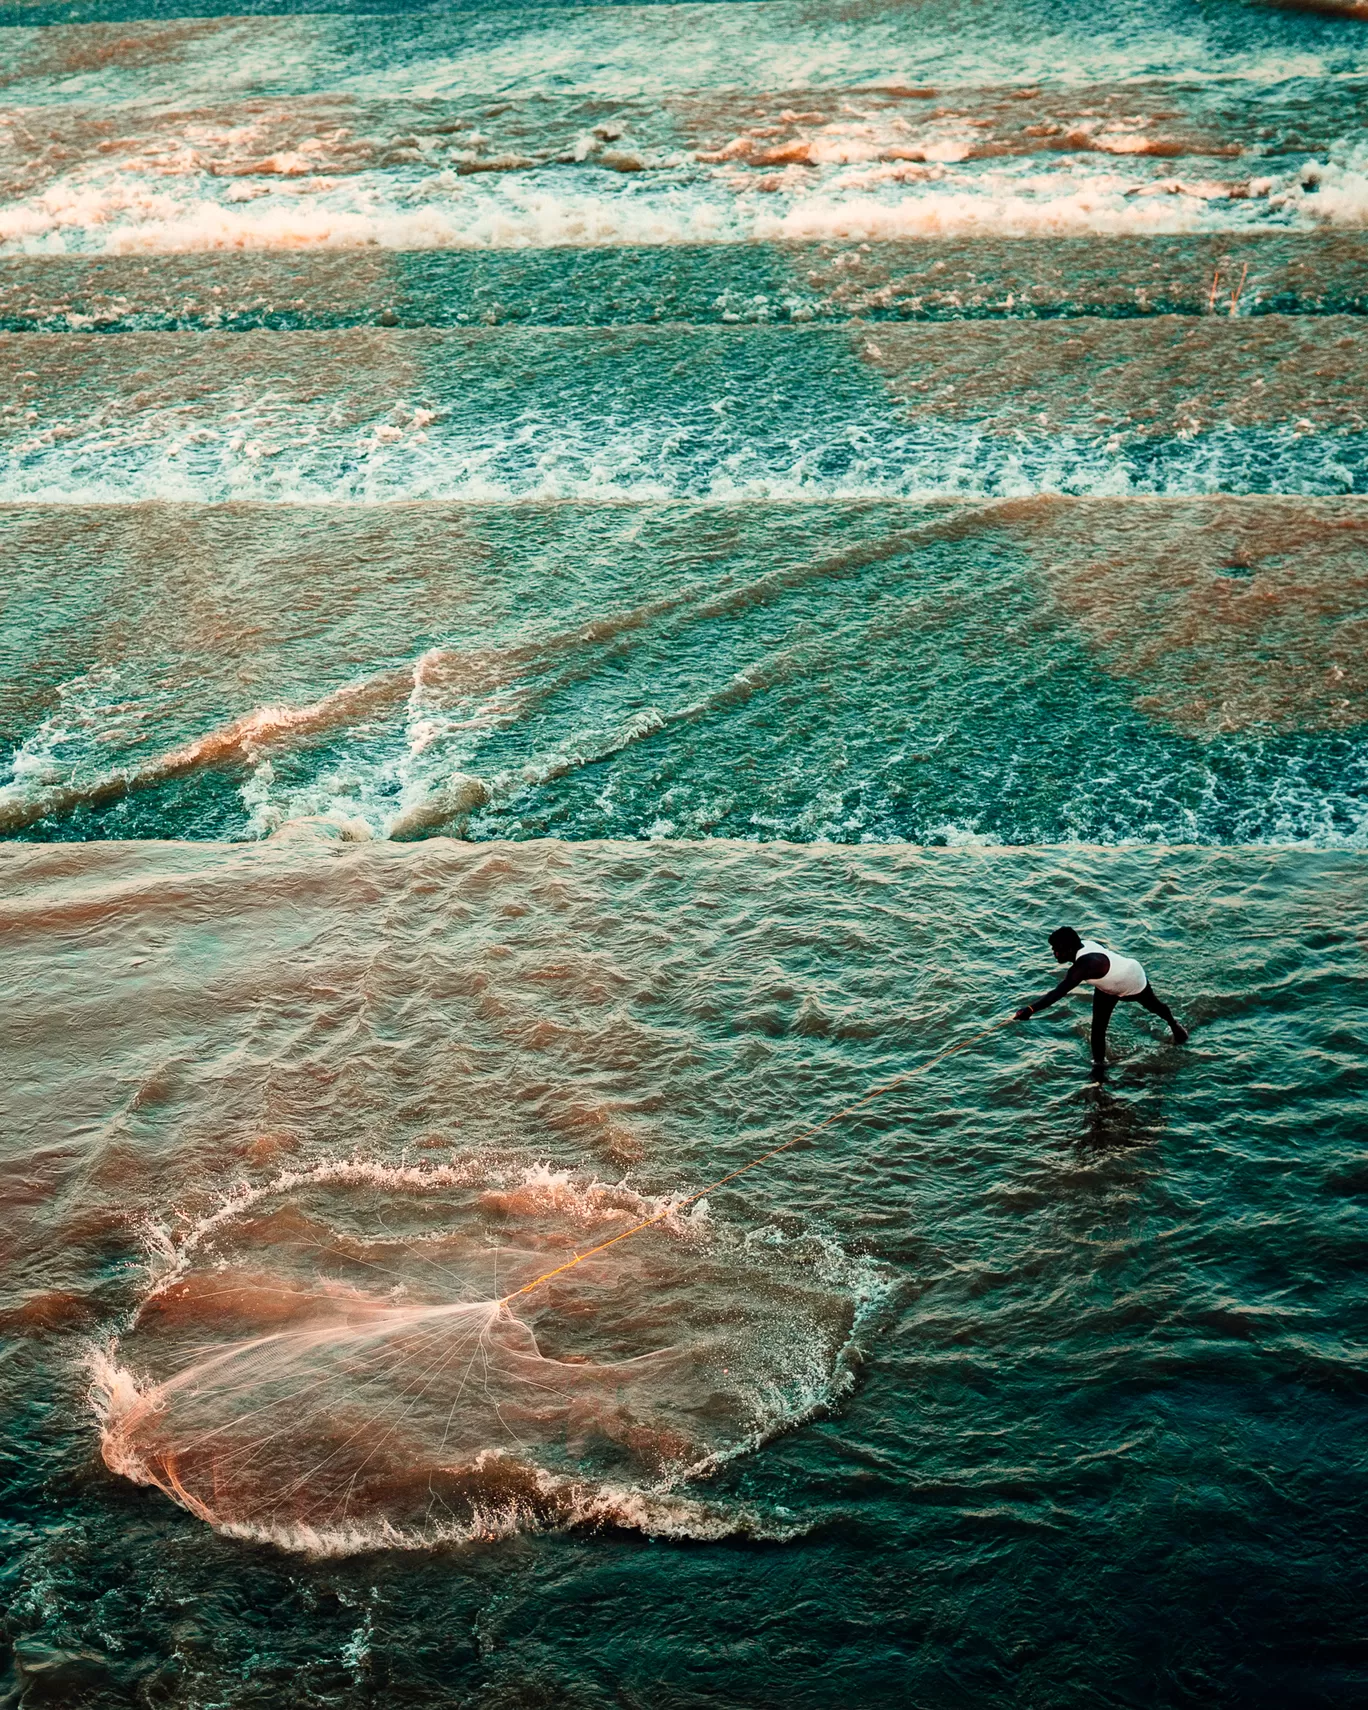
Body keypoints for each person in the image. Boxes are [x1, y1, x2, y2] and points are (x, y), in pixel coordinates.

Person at [1015, 927, 1188, 1075]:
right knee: (1098, 1027)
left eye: (1056, 949)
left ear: (1067, 949)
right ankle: (1099, 1066)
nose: (1054, 953)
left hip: (1131, 977)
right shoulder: (1083, 948)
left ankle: (1175, 1025)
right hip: (1108, 984)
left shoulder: (1083, 966)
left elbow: (1058, 993)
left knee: (1155, 1007)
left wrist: (1030, 1010)